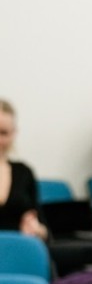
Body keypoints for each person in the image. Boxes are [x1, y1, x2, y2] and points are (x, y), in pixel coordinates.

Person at [0, 99, 48, 240]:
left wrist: (37, 230)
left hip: (18, 246)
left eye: (3, 133)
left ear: (14, 133)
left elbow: (44, 229)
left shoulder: (23, 172)